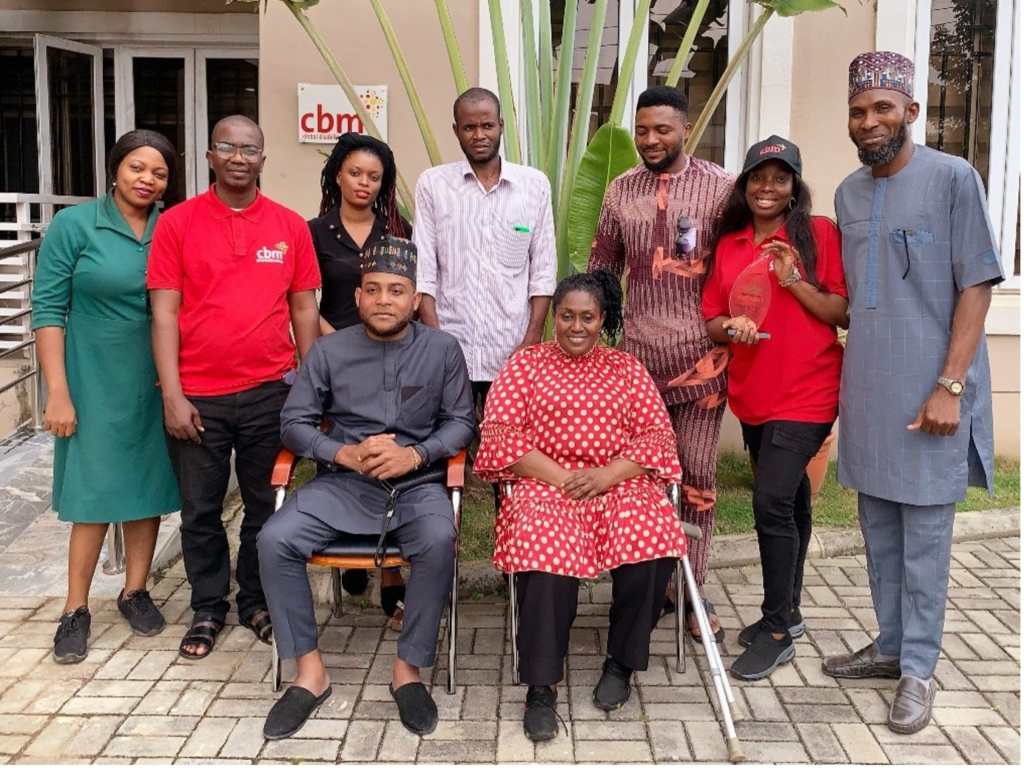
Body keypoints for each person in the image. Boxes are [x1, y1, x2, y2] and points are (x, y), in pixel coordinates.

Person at [821, 52, 1003, 735]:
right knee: (879, 535)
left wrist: (950, 385)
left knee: (925, 539)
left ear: (912, 113)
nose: (870, 122)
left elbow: (977, 286)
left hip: (934, 393)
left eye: (883, 109)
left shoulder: (954, 179)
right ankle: (891, 645)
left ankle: (919, 669)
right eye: (859, 111)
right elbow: (854, 301)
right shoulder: (847, 194)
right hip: (868, 391)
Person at [258, 236, 475, 740]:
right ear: (357, 297)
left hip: (417, 485)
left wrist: (415, 454)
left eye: (396, 290)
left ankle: (408, 671)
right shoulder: (329, 351)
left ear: (414, 298)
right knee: (274, 539)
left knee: (439, 540)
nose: (383, 300)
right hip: (344, 485)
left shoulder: (443, 350)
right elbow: (294, 423)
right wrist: (344, 454)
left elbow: (463, 422)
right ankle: (310, 674)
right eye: (373, 290)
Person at [475, 270, 685, 743]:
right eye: (566, 315)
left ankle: (621, 662)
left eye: (587, 317)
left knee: (652, 539)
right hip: (546, 482)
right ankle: (541, 685)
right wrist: (563, 477)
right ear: (553, 319)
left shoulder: (627, 369)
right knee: (543, 552)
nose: (576, 326)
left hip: (616, 480)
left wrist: (607, 476)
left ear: (602, 319)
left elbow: (656, 435)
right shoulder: (525, 365)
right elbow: (500, 435)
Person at [147, 115, 321, 661]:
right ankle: (207, 605)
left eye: (250, 148)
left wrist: (311, 391)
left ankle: (255, 600)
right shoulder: (177, 224)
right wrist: (172, 394)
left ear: (264, 158)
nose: (240, 157)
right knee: (198, 508)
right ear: (210, 155)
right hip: (197, 396)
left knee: (264, 505)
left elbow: (304, 310)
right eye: (228, 147)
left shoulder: (289, 226)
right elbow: (164, 314)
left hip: (272, 391)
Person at [589, 85, 733, 642]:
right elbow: (602, 267)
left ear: (685, 129)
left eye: (663, 130)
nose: (651, 140)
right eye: (643, 130)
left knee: (697, 478)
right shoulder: (620, 191)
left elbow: (738, 262)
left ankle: (690, 591)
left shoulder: (720, 189)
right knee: (641, 481)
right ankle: (641, 591)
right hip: (636, 368)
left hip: (704, 366)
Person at [33, 130, 181, 664]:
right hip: (91, 377)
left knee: (146, 487)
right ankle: (75, 608)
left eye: (159, 172)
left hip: (155, 378)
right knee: (92, 495)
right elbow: (48, 311)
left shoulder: (173, 227)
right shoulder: (75, 226)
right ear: (115, 169)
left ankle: (135, 591)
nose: (147, 179)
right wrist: (57, 393)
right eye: (137, 168)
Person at [702, 136, 848, 680]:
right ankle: (792, 610)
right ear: (744, 185)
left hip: (809, 390)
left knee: (769, 504)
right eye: (758, 177)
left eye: (780, 178)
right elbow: (711, 316)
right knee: (791, 502)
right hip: (754, 394)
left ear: (794, 188)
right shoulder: (730, 244)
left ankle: (778, 628)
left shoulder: (818, 236)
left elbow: (842, 309)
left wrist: (792, 280)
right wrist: (729, 327)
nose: (768, 187)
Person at [413, 87, 556, 462]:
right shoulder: (433, 184)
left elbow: (542, 271)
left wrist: (531, 339)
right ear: (456, 130)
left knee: (512, 445)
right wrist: (436, 340)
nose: (479, 135)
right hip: (452, 340)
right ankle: (446, 511)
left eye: (487, 125)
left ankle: (507, 508)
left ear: (501, 127)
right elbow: (424, 271)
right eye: (469, 127)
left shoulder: (533, 185)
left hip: (510, 342)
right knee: (446, 442)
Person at [308, 131, 412, 625]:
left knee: (388, 451)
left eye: (374, 176)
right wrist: (337, 349)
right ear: (337, 175)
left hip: (392, 361)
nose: (364, 183)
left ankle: (391, 577)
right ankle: (347, 545)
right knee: (343, 454)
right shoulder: (313, 232)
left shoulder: (397, 232)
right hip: (331, 359)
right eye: (355, 173)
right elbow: (303, 303)